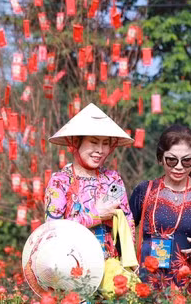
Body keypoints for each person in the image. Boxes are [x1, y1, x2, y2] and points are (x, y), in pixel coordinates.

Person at [130, 125, 191, 291]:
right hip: (147, 286)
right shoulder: (144, 191)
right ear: (160, 158)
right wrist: (130, 266)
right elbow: (123, 232)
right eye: (172, 160)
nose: (179, 166)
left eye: (187, 160)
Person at [45, 103, 135, 259]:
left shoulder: (113, 180)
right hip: (71, 266)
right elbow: (53, 232)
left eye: (105, 143)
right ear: (76, 142)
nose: (100, 150)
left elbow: (128, 224)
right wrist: (96, 214)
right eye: (94, 142)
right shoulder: (60, 181)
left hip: (111, 269)